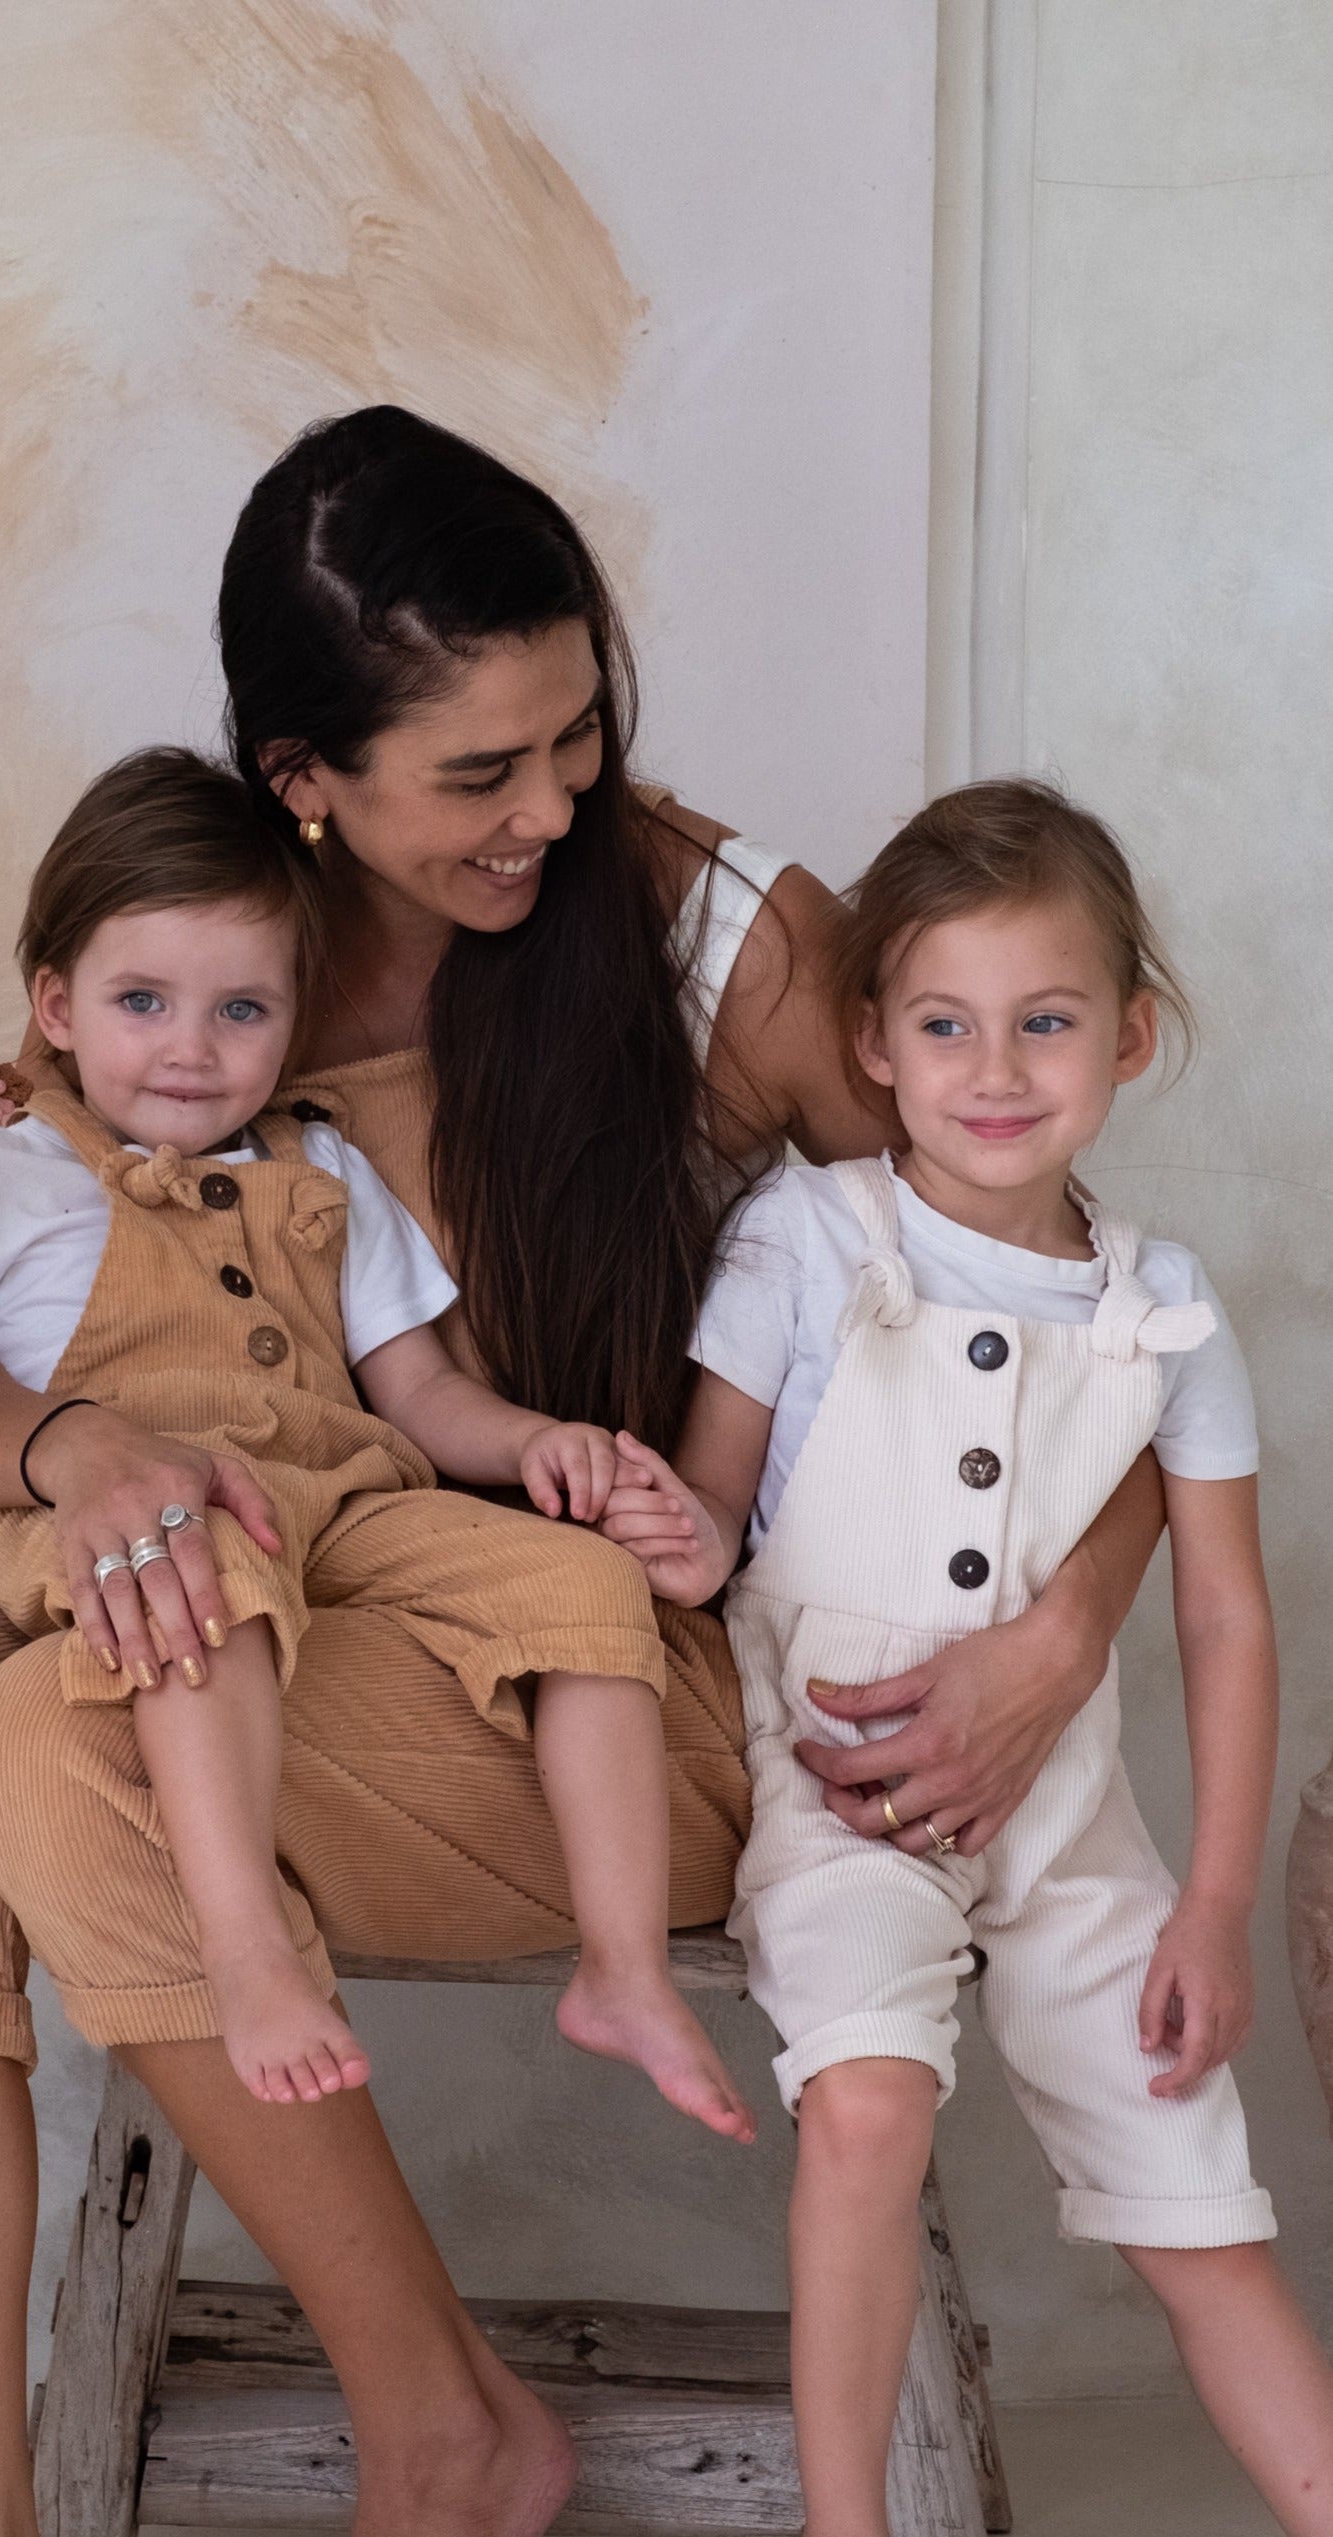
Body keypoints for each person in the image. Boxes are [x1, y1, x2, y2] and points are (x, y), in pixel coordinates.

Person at [0, 410, 1167, 2537]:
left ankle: (439, 2428)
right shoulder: (193, 967)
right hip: (300, 1595)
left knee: (69, 1739)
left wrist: (1057, 1639)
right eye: (478, 775)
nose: (554, 807)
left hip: (620, 1674)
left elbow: (1092, 1322)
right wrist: (81, 1437)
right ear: (298, 782)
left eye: (574, 734)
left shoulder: (726, 948)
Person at [0, 748, 755, 2136]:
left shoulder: (319, 1164)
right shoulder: (1, 1177)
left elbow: (416, 1387)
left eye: (241, 1008)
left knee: (581, 1585)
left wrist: (538, 1441)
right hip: (145, 1516)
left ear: (291, 1016)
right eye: (144, 1002)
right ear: (56, 1008)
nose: (193, 1045)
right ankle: (248, 1947)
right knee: (210, 1587)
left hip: (345, 1495)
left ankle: (619, 1968)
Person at [602, 778, 1333, 2537]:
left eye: (1046, 1021)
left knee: (1197, 2198)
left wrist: (1213, 1902)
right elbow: (716, 1507)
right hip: (837, 1799)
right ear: (874, 1038)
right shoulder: (809, 1238)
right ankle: (848, 2520)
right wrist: (661, 1532)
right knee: (865, 2103)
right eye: (945, 1023)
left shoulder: (1165, 1306)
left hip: (1074, 1839)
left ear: (1130, 1038)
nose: (994, 1069)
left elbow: (1225, 1614)